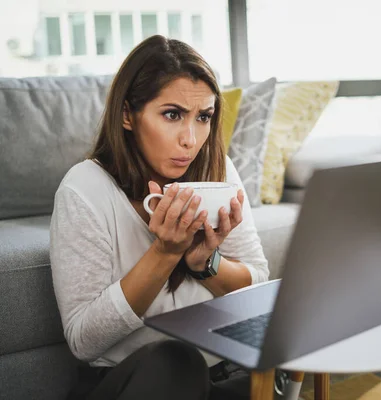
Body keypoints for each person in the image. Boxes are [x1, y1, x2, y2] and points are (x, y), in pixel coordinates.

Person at [49, 35, 269, 400]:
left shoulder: (218, 172)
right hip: (137, 382)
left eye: (204, 117)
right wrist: (165, 253)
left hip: (220, 373)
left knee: (272, 374)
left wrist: (204, 263)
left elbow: (258, 284)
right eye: (172, 115)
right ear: (127, 115)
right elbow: (84, 341)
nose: (191, 139)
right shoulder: (84, 189)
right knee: (175, 361)